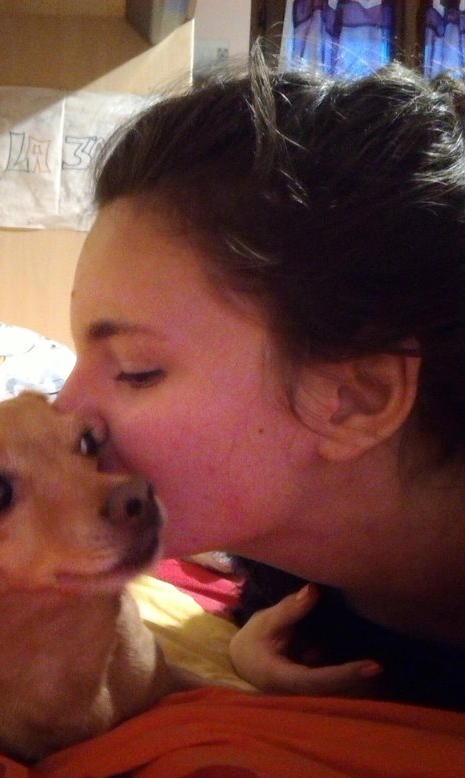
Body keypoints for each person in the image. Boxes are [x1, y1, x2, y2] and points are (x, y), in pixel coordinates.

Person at [55, 50, 465, 707]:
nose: (64, 414)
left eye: (136, 371)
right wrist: (244, 651)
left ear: (357, 399)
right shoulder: (297, 576)